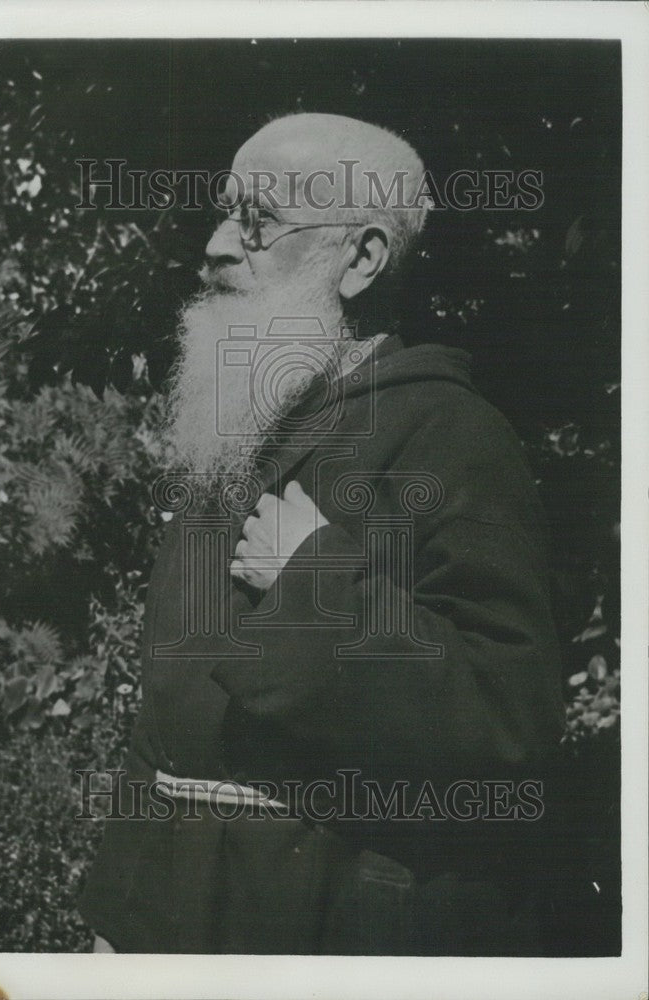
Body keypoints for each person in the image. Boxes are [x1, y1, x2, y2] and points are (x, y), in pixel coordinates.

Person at [79, 112, 565, 955]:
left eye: (258, 220)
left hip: (324, 927)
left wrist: (312, 580)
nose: (218, 245)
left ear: (363, 258)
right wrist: (121, 920)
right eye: (225, 212)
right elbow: (172, 710)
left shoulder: (453, 433)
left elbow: (509, 721)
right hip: (172, 917)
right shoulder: (238, 428)